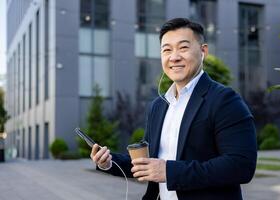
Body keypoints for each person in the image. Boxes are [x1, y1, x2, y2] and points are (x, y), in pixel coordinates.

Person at [90, 18, 257, 200]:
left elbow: (241, 166)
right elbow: (150, 164)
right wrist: (109, 162)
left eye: (183, 47)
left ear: (203, 51)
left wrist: (169, 171)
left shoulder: (225, 100)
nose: (174, 56)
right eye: (167, 50)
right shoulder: (159, 105)